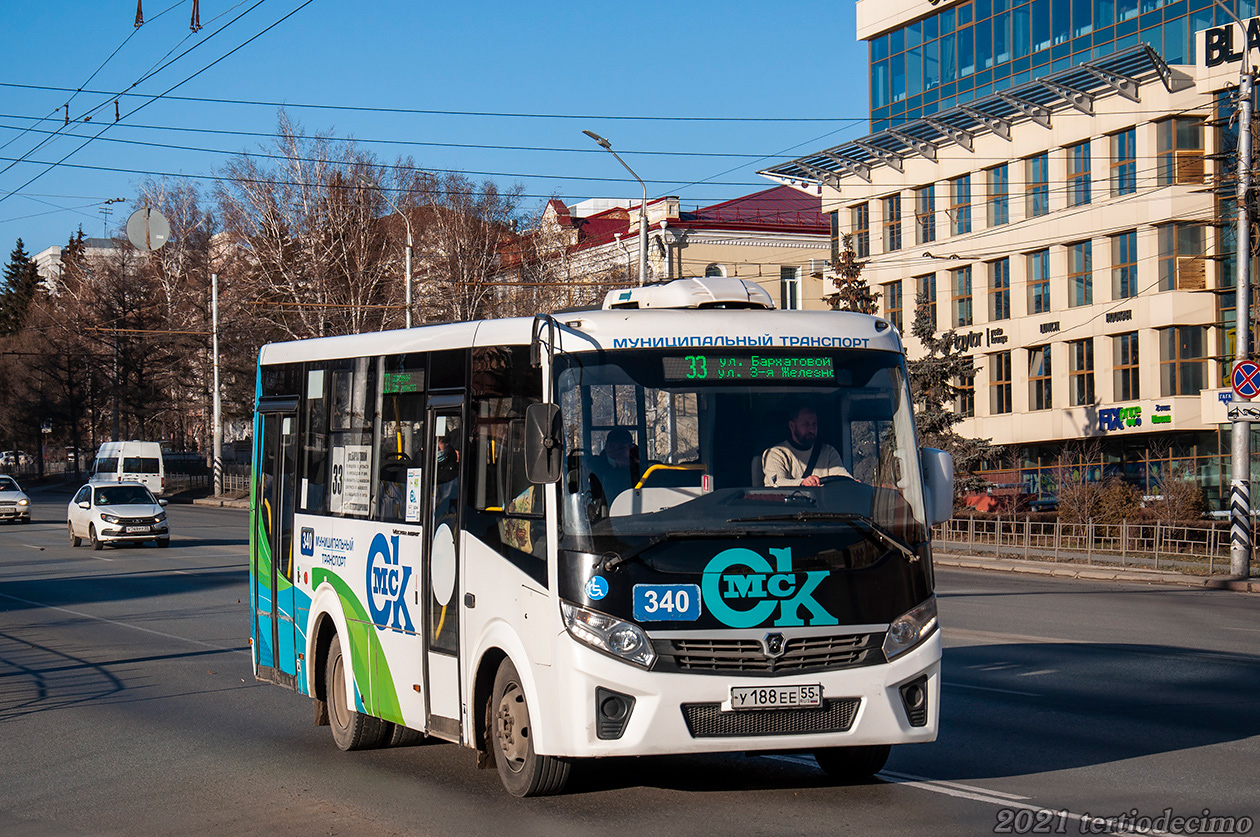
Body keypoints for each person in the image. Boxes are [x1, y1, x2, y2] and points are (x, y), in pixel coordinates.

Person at [762, 405, 851, 487]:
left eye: (814, 424)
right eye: (806, 424)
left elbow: (841, 475)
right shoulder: (776, 454)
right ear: (792, 426)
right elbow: (777, 483)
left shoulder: (828, 452)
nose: (811, 429)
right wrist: (802, 483)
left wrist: (853, 483)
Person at [587, 427, 639, 500]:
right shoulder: (596, 465)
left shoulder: (639, 467)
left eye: (622, 448)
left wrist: (630, 467)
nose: (617, 451)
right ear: (606, 447)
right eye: (612, 447)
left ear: (630, 449)